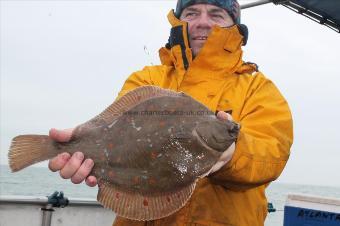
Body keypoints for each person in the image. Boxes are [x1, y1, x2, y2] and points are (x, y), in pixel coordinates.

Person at [48, 0, 293, 225]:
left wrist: (233, 153)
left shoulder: (258, 89)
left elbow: (272, 154)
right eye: (191, 13)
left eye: (216, 15)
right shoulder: (147, 80)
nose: (202, 22)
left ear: (235, 26)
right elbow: (117, 130)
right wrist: (81, 143)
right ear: (178, 21)